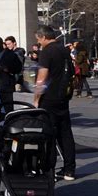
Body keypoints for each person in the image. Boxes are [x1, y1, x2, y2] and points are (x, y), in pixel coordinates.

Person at [33, 25, 76, 181]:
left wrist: (36, 99)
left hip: (49, 98)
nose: (38, 43)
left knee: (48, 134)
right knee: (65, 133)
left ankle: (48, 169)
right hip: (63, 96)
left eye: (38, 39)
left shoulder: (47, 52)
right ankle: (69, 169)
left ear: (44, 37)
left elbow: (42, 78)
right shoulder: (64, 50)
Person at [0, 36, 22, 114]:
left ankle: (9, 123)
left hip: (6, 87)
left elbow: (19, 68)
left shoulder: (10, 54)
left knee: (8, 109)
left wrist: (9, 69)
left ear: (2, 44)